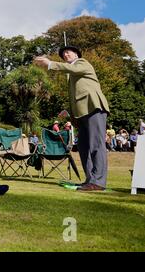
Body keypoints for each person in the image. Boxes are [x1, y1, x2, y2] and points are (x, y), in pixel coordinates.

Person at [34, 45, 110, 191]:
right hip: (81, 113)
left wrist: (49, 63)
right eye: (63, 55)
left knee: (96, 145)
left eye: (68, 52)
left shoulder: (82, 63)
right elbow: (77, 95)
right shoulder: (72, 74)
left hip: (94, 107)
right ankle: (90, 180)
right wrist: (69, 112)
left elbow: (73, 70)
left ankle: (99, 182)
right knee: (83, 147)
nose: (66, 55)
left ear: (76, 54)